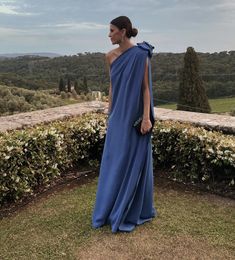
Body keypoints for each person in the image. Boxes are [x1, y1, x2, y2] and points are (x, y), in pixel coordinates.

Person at [92, 15, 157, 233]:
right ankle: (109, 208)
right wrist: (110, 114)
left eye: (111, 31)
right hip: (118, 116)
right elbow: (112, 87)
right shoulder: (109, 57)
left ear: (123, 30)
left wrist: (146, 117)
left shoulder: (141, 55)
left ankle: (131, 210)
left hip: (136, 117)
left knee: (134, 159)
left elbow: (145, 88)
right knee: (114, 160)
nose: (109, 35)